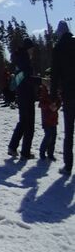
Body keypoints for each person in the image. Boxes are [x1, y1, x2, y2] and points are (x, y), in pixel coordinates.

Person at [51, 20, 75, 175]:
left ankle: (68, 166)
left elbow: (55, 75)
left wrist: (53, 97)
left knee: (69, 131)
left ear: (60, 33)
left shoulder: (58, 48)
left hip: (69, 94)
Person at [8, 39, 37, 160]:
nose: (33, 51)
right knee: (28, 124)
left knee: (23, 122)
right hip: (26, 95)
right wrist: (41, 81)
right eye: (32, 49)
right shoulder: (25, 61)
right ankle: (25, 151)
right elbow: (28, 78)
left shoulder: (19, 59)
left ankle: (13, 147)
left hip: (22, 95)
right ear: (28, 48)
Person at [38, 72, 59, 162]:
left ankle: (50, 153)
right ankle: (42, 152)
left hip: (54, 117)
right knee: (48, 135)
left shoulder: (55, 91)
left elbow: (59, 101)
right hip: (46, 118)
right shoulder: (44, 91)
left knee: (53, 136)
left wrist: (56, 106)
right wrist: (49, 106)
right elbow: (41, 104)